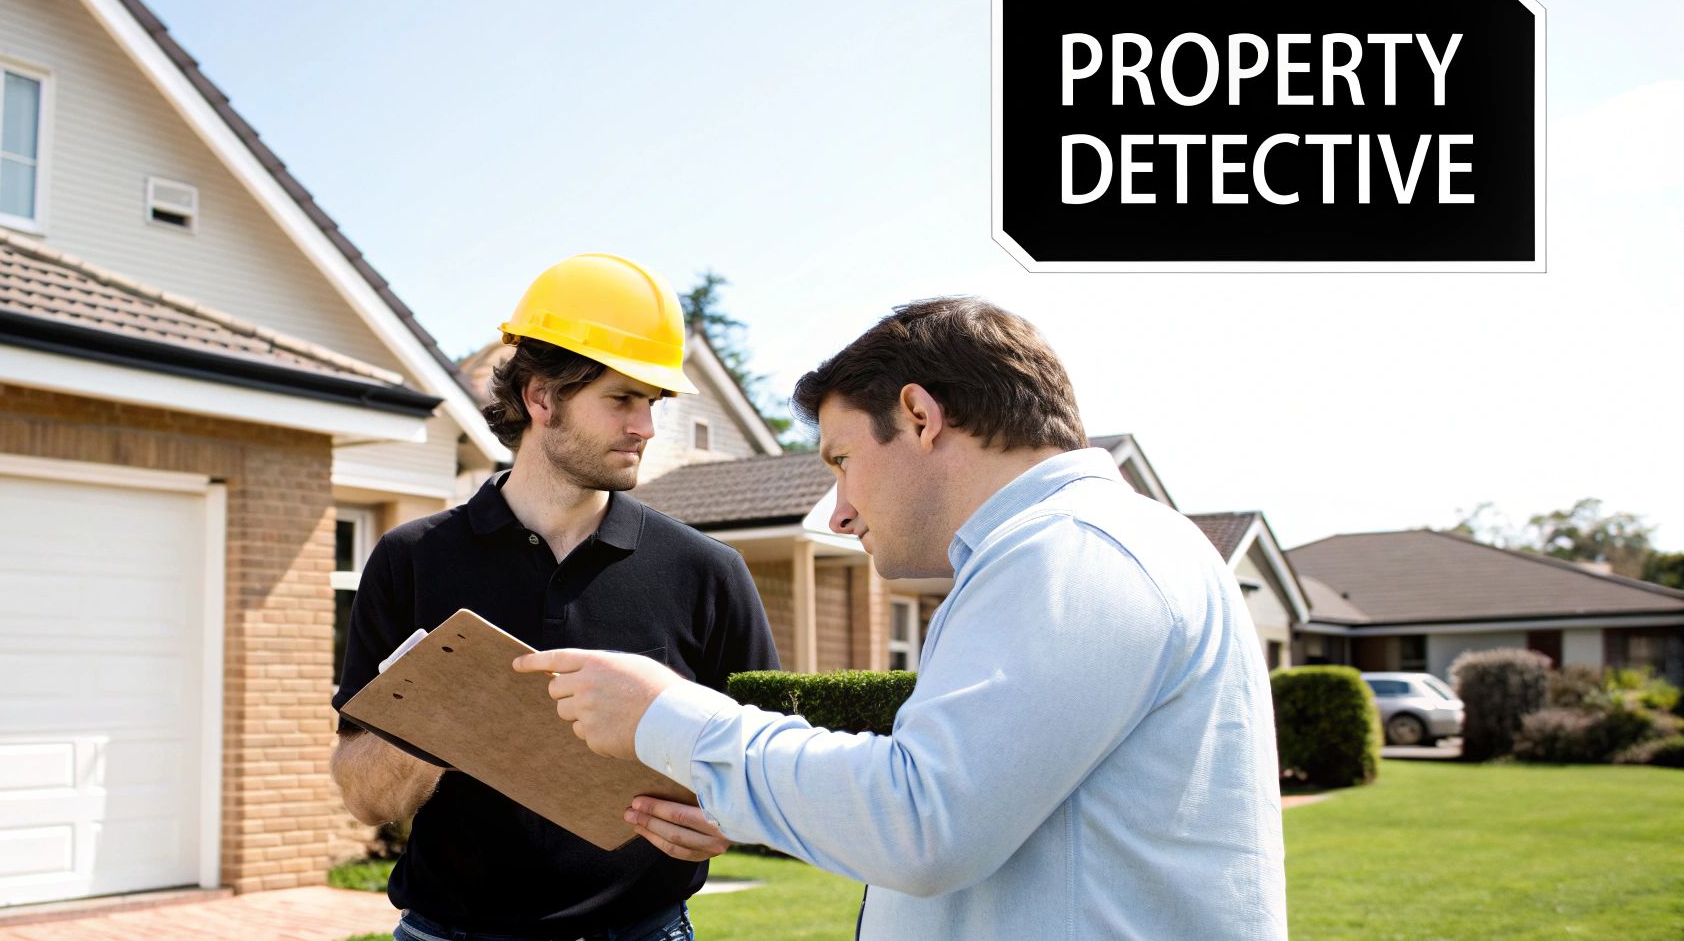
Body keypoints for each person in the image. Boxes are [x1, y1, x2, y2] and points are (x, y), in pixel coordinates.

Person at [516, 297, 1288, 939]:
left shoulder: (1072, 551)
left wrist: (668, 719)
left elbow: (923, 822)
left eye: (842, 460)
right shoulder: (1071, 550)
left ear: (919, 415)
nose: (843, 512)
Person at [332, 254, 781, 941]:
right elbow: (364, 798)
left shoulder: (707, 572)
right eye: (622, 399)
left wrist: (723, 821)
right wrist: (443, 722)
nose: (646, 428)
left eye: (652, 403)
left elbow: (768, 771)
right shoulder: (411, 560)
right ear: (542, 399)